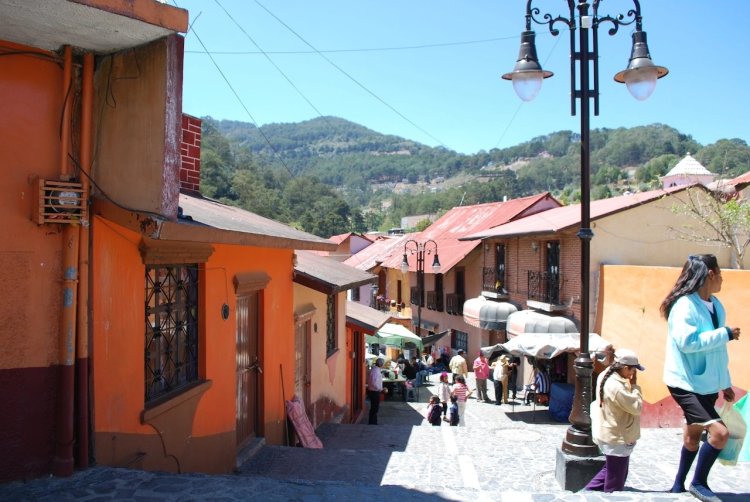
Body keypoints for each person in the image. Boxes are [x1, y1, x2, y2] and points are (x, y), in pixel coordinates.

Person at [660, 254, 741, 501]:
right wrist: (724, 334)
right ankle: (699, 483)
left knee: (693, 436)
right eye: (721, 274)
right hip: (684, 383)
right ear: (710, 274)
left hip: (705, 382)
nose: (723, 280)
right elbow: (687, 343)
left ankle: (678, 485)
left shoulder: (716, 305)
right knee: (720, 434)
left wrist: (724, 382)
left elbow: (718, 351)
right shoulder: (684, 306)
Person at [584, 348, 644, 493]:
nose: (632, 374)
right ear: (624, 367)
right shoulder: (616, 387)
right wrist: (635, 386)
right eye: (632, 370)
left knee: (610, 470)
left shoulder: (606, 374)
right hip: (617, 438)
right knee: (615, 482)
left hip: (612, 434)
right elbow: (636, 406)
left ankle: (586, 493)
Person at [367, 358, 387, 425]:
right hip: (374, 392)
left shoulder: (375, 370)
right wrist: (381, 389)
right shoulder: (375, 371)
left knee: (374, 408)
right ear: (381, 364)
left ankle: (373, 422)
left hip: (374, 391)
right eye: (383, 363)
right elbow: (374, 383)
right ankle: (372, 423)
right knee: (374, 408)